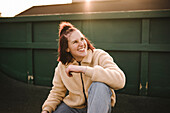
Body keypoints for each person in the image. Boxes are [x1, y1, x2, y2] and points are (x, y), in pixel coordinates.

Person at [41, 22, 126, 113]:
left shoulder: (99, 55)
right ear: (67, 48)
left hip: (97, 107)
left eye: (82, 39)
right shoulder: (62, 67)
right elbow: (57, 92)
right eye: (75, 42)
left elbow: (120, 80)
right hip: (74, 107)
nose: (81, 44)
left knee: (99, 85)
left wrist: (84, 69)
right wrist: (46, 110)